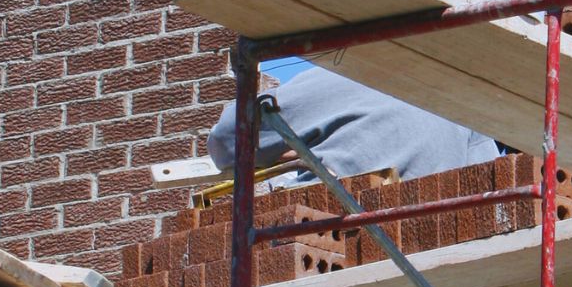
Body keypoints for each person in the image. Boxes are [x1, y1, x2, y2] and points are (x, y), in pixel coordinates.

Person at [207, 67, 499, 183]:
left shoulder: (345, 77)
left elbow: (228, 139)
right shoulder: (467, 107)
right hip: (435, 255)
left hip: (330, 240)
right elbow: (488, 190)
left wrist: (294, 151)